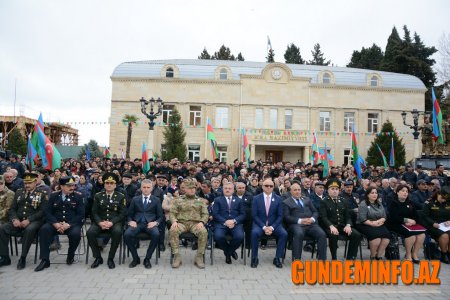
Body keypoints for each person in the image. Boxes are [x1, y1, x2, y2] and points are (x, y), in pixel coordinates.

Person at [35, 176, 85, 272]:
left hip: (72, 224)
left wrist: (68, 225)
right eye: (69, 185)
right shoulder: (54, 196)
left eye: (73, 185)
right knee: (44, 230)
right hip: (56, 223)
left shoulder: (78, 196)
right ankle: (45, 260)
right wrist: (56, 223)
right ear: (61, 186)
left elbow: (81, 214)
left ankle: (70, 255)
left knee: (75, 234)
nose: (72, 187)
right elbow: (47, 212)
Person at [0, 173, 46, 269]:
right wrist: (14, 219)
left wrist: (29, 220)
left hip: (35, 221)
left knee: (29, 230)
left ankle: (23, 258)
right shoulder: (19, 192)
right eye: (25, 183)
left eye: (29, 183)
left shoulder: (41, 194)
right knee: (2, 228)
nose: (27, 185)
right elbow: (12, 209)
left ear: (35, 183)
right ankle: (5, 257)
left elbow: (42, 211)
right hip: (19, 220)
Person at [87, 173, 126, 269]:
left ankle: (110, 258)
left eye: (111, 183)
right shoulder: (98, 196)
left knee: (117, 232)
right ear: (104, 184)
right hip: (100, 221)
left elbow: (122, 213)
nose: (109, 185)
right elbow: (94, 212)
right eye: (107, 183)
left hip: (114, 222)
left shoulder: (121, 196)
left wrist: (111, 222)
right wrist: (100, 222)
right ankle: (98, 257)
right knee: (90, 233)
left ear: (115, 185)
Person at [169, 179, 209, 269]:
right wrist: (174, 221)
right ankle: (177, 256)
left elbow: (205, 214)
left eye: (193, 188)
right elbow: (172, 212)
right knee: (173, 230)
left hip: (195, 224)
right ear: (185, 189)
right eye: (189, 188)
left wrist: (202, 222)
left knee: (203, 232)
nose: (192, 190)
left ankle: (199, 257)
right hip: (181, 223)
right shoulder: (178, 200)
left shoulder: (200, 200)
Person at [124, 179, 163, 269]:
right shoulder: (135, 199)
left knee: (156, 234)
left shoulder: (156, 200)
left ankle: (147, 259)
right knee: (127, 234)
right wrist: (131, 221)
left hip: (150, 224)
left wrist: (155, 222)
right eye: (144, 187)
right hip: (137, 224)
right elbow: (129, 214)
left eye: (148, 187)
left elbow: (161, 216)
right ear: (141, 188)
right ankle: (135, 258)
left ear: (151, 188)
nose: (146, 189)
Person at [319, 178, 362, 260]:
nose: (335, 191)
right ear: (328, 190)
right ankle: (334, 258)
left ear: (339, 190)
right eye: (332, 189)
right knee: (333, 235)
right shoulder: (324, 201)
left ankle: (351, 258)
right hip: (330, 226)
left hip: (342, 226)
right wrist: (331, 226)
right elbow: (323, 217)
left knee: (357, 235)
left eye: (336, 189)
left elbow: (347, 216)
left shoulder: (343, 200)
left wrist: (348, 225)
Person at [283, 182, 327, 260]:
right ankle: (297, 260)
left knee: (322, 234)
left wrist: (312, 219)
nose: (297, 192)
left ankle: (322, 260)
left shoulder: (307, 199)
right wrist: (300, 221)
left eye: (299, 190)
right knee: (299, 234)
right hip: (296, 225)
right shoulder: (286, 202)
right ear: (291, 192)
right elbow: (286, 217)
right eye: (295, 190)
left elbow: (315, 211)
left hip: (311, 224)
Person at [250, 179, 287, 268]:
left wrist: (272, 227)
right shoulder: (256, 198)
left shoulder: (278, 199)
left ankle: (277, 258)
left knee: (284, 234)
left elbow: (280, 216)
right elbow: (254, 215)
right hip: (260, 225)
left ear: (273, 187)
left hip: (274, 225)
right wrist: (264, 227)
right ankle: (254, 258)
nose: (268, 188)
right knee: (254, 233)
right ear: (262, 186)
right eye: (266, 185)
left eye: (271, 186)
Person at [387, 184, 425, 264]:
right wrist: (406, 220)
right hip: (396, 224)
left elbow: (416, 216)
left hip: (410, 225)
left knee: (422, 235)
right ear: (397, 192)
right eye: (403, 191)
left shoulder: (410, 203)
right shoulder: (393, 202)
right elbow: (394, 217)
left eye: (407, 191)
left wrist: (414, 221)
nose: (405, 193)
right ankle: (408, 255)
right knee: (411, 236)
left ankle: (414, 254)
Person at [212, 182, 245, 264]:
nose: (227, 190)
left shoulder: (239, 201)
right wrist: (225, 221)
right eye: (225, 188)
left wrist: (234, 221)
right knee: (218, 236)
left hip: (235, 224)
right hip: (221, 223)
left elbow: (243, 214)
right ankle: (230, 251)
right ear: (223, 190)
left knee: (240, 236)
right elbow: (215, 214)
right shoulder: (217, 200)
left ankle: (228, 253)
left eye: (229, 188)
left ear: (233, 190)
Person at [354, 187, 391, 260]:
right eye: (372, 193)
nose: (375, 194)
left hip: (378, 223)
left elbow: (384, 216)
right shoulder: (363, 203)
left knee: (386, 237)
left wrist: (379, 221)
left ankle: (379, 255)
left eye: (376, 193)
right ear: (367, 195)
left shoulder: (379, 203)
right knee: (376, 238)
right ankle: (373, 255)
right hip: (364, 224)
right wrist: (372, 224)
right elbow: (362, 219)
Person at [422, 187, 450, 264]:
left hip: (446, 225)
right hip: (432, 225)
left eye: (445, 199)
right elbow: (424, 216)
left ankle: (448, 253)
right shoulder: (429, 202)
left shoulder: (448, 201)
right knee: (445, 236)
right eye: (442, 198)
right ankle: (444, 255)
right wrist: (433, 223)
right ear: (438, 194)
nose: (443, 200)